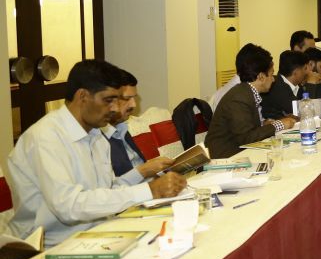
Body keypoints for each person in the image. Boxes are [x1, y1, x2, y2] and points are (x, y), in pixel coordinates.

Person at [6, 60, 187, 247]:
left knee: (178, 237)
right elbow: (69, 206)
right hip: (50, 246)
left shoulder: (97, 135)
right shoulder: (46, 137)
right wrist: (148, 190)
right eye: (108, 100)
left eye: (117, 100)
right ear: (83, 96)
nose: (115, 108)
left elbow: (106, 191)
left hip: (97, 233)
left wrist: (146, 181)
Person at [206, 44, 295, 159]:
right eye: (271, 74)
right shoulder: (238, 98)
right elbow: (247, 138)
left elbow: (246, 128)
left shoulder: (246, 92)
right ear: (261, 77)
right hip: (223, 158)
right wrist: (280, 124)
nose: (273, 79)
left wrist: (265, 124)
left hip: (237, 153)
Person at [103, 69, 174, 180]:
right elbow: (111, 186)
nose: (134, 104)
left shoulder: (122, 127)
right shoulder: (98, 138)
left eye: (134, 98)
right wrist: (145, 171)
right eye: (127, 99)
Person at [262, 50, 309, 119]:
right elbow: (304, 112)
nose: (308, 72)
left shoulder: (298, 86)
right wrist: (312, 84)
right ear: (295, 72)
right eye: (305, 68)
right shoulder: (276, 86)